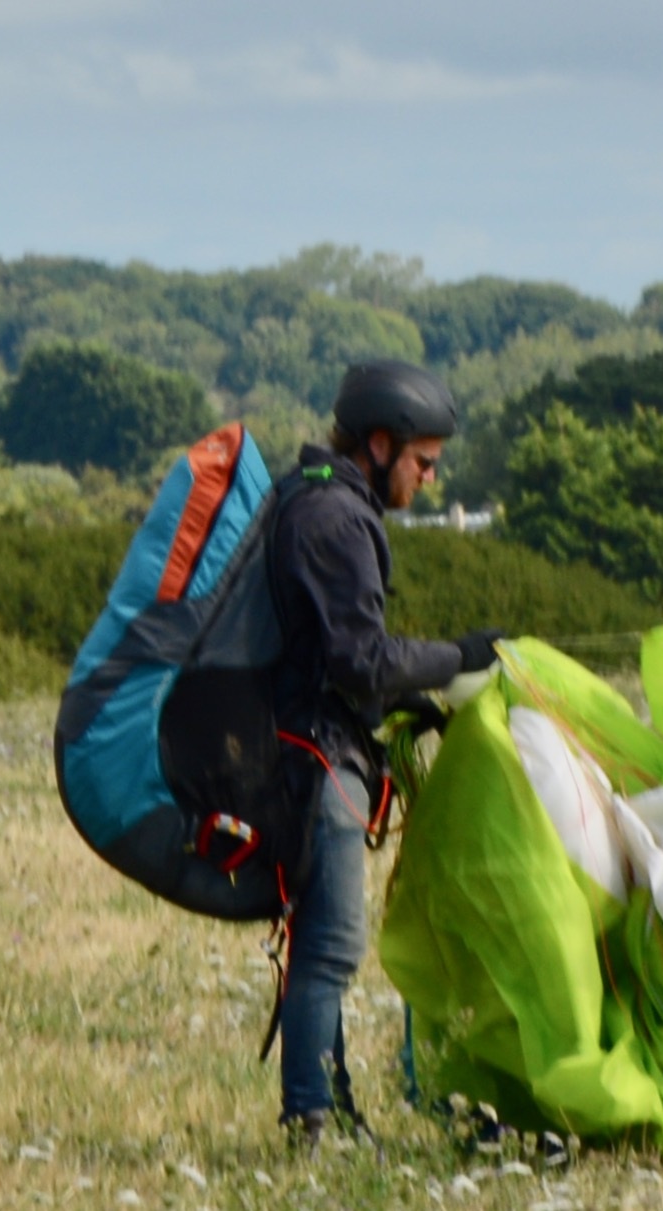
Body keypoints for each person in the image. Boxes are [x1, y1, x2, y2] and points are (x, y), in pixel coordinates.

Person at [252, 358, 500, 1138]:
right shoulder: (332, 517)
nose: (428, 477)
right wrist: (457, 658)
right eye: (423, 461)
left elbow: (334, 657)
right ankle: (311, 1122)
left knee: (320, 946)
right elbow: (357, 658)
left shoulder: (323, 500)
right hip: (316, 760)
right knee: (328, 950)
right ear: (382, 443)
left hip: (312, 746)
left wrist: (416, 700)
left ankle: (335, 1110)